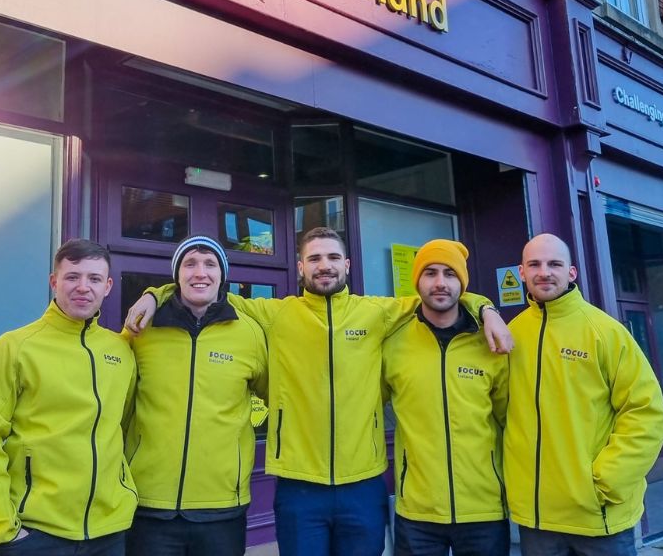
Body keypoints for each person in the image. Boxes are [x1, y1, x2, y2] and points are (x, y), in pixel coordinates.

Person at [126, 226, 513, 556]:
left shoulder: (377, 313)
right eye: (314, 258)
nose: (323, 265)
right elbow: (202, 289)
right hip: (299, 485)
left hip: (362, 482)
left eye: (332, 257)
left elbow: (442, 294)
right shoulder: (274, 314)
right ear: (300, 267)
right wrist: (152, 294)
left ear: (346, 265)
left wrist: (486, 309)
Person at [0, 239, 137, 555]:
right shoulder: (15, 347)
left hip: (109, 532)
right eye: (72, 276)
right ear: (54, 282)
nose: (83, 287)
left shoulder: (121, 350)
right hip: (35, 534)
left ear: (108, 286)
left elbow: (124, 427)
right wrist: (1, 529)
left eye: (94, 279)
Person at [505, 234, 663, 556]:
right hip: (536, 518)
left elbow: (646, 412)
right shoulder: (511, 336)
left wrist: (606, 481)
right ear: (521, 272)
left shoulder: (604, 331)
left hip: (597, 516)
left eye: (554, 264)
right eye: (534, 264)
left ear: (572, 273)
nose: (544, 272)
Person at [123, 235, 268, 556]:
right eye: (189, 264)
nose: (199, 272)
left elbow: (277, 397)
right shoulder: (141, 330)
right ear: (176, 276)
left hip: (222, 505)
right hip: (148, 503)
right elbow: (115, 405)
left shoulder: (250, 333)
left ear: (222, 275)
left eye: (209, 264)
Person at [382, 239, 510, 556]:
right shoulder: (394, 342)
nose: (440, 283)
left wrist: (487, 308)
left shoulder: (491, 343)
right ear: (417, 282)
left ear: (462, 285)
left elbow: (512, 420)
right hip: (417, 513)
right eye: (430, 273)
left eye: (450, 274)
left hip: (484, 510)